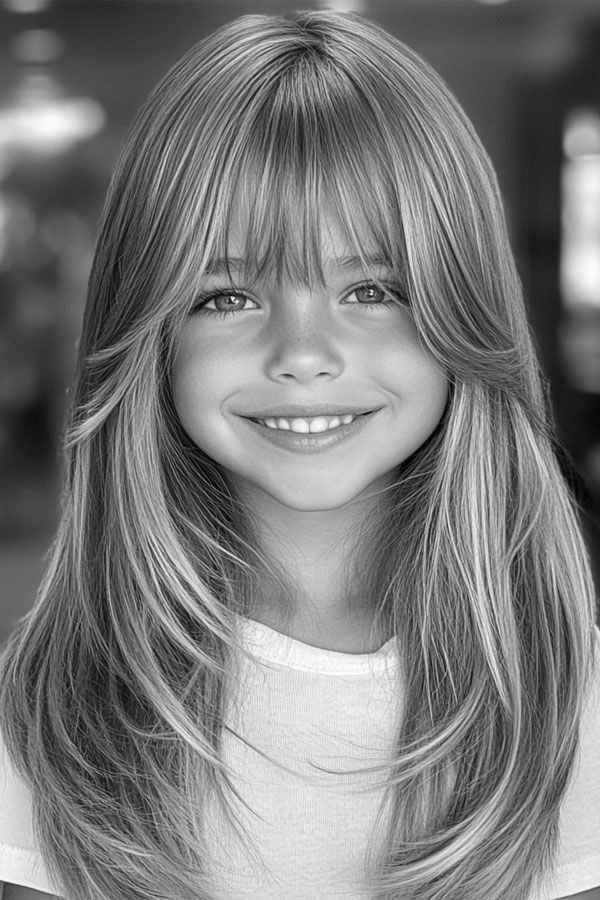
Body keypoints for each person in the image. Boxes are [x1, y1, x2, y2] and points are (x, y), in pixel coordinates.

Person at [0, 9, 599, 900]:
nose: (303, 352)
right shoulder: (40, 710)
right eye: (228, 295)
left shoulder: (571, 695)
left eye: (372, 287)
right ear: (148, 333)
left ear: (462, 311)